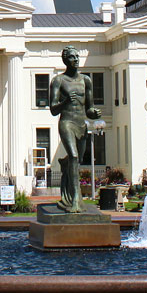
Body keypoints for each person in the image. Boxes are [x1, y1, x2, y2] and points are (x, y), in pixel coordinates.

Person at [48, 46, 102, 213]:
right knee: (74, 155)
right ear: (65, 60)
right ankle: (77, 199)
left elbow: (89, 109)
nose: (76, 59)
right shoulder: (58, 81)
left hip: (81, 124)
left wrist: (95, 114)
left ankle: (65, 167)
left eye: (77, 56)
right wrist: (65, 102)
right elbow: (53, 109)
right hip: (66, 122)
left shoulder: (86, 80)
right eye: (72, 57)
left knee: (75, 161)